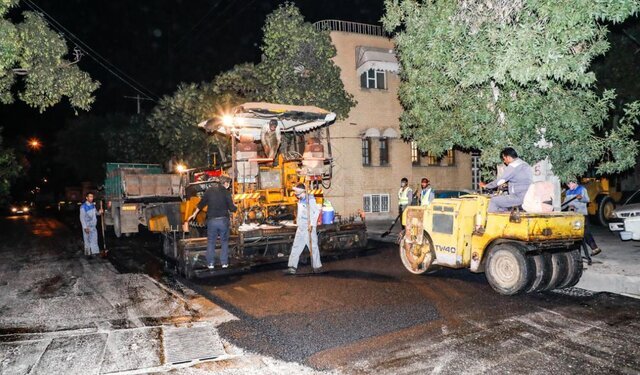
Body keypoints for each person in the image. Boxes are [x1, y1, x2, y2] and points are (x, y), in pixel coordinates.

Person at [187, 176, 237, 269]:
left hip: (212, 221)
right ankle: (224, 263)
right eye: (229, 184)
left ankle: (210, 264)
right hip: (223, 221)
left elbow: (201, 203)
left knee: (211, 242)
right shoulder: (226, 192)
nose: (229, 186)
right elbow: (231, 207)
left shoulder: (209, 191)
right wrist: (236, 207)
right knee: (224, 242)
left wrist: (194, 214)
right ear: (225, 183)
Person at [479, 147, 533, 213]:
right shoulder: (524, 164)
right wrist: (507, 185)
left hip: (519, 197)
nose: (504, 162)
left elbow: (499, 181)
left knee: (494, 201)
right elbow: (521, 181)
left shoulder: (513, 166)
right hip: (528, 195)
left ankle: (492, 222)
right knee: (502, 204)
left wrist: (486, 186)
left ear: (508, 157)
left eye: (504, 159)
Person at [284, 183, 322, 275]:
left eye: (297, 192)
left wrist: (312, 224)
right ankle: (292, 267)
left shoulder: (310, 199)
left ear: (302, 192)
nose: (296, 194)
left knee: (313, 247)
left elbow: (316, 212)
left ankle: (317, 266)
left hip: (308, 226)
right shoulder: (301, 200)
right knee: (296, 246)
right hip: (301, 227)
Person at [564, 181, 601, 261]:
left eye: (569, 184)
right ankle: (576, 253)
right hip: (573, 215)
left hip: (582, 214)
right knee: (575, 233)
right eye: (567, 184)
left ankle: (595, 248)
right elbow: (565, 203)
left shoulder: (582, 189)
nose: (568, 186)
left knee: (585, 232)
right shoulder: (568, 192)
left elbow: (587, 200)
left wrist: (581, 198)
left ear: (575, 183)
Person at [80, 192, 103, 257]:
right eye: (90, 197)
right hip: (87, 226)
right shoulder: (83, 206)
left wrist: (99, 212)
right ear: (86, 198)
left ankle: (95, 253)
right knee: (87, 241)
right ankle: (88, 254)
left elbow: (96, 213)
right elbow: (82, 218)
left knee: (94, 239)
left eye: (92, 197)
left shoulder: (93, 205)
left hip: (93, 226)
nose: (91, 198)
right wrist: (85, 227)